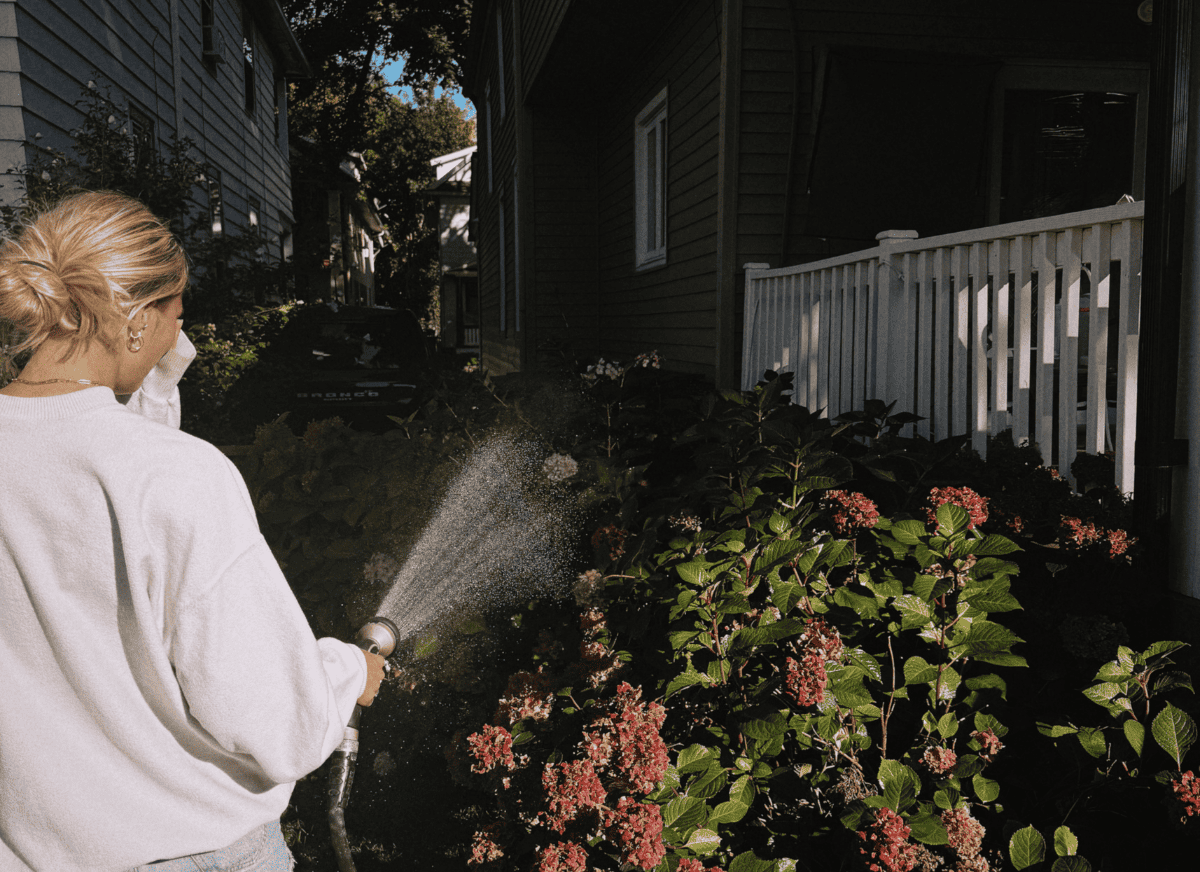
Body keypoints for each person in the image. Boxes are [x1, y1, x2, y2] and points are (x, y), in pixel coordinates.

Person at [0, 191, 386, 872]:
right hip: (197, 853)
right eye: (175, 321)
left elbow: (89, 444)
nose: (177, 344)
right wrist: (351, 671)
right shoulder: (178, 477)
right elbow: (277, 721)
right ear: (137, 319)